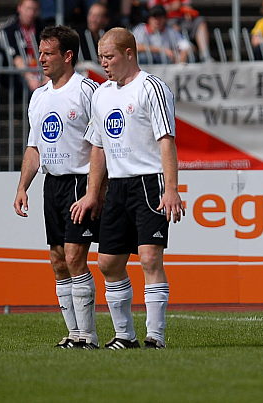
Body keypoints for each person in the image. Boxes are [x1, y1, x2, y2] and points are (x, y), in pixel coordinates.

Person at [71, 27, 183, 350]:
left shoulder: (151, 88)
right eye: (101, 57)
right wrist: (93, 193)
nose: (104, 63)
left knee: (149, 258)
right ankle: (125, 335)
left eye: (109, 56)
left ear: (129, 53)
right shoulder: (102, 94)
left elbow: (166, 141)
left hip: (149, 182)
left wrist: (171, 188)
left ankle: (155, 337)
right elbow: (97, 146)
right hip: (117, 186)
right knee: (108, 263)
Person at [13, 25, 101, 349]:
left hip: (80, 182)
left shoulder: (87, 91)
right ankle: (74, 333)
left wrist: (95, 190)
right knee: (57, 259)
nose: (41, 59)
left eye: (48, 53)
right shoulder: (39, 96)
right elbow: (33, 147)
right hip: (52, 184)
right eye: (40, 52)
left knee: (76, 256)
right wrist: (22, 187)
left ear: (67, 56)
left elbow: (100, 144)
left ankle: (88, 336)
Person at [1, 0, 46, 91]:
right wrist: (30, 77)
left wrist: (47, 77)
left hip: (41, 71)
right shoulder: (8, 29)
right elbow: (16, 58)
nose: (31, 13)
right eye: (28, 9)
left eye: (34, 10)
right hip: (18, 74)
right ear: (19, 8)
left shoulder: (42, 27)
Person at [146, 0, 211, 61]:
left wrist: (188, 11)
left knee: (200, 21)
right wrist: (171, 7)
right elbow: (153, 11)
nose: (156, 20)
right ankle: (175, 55)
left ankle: (205, 55)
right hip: (168, 20)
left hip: (183, 19)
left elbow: (188, 7)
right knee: (172, 27)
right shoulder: (144, 28)